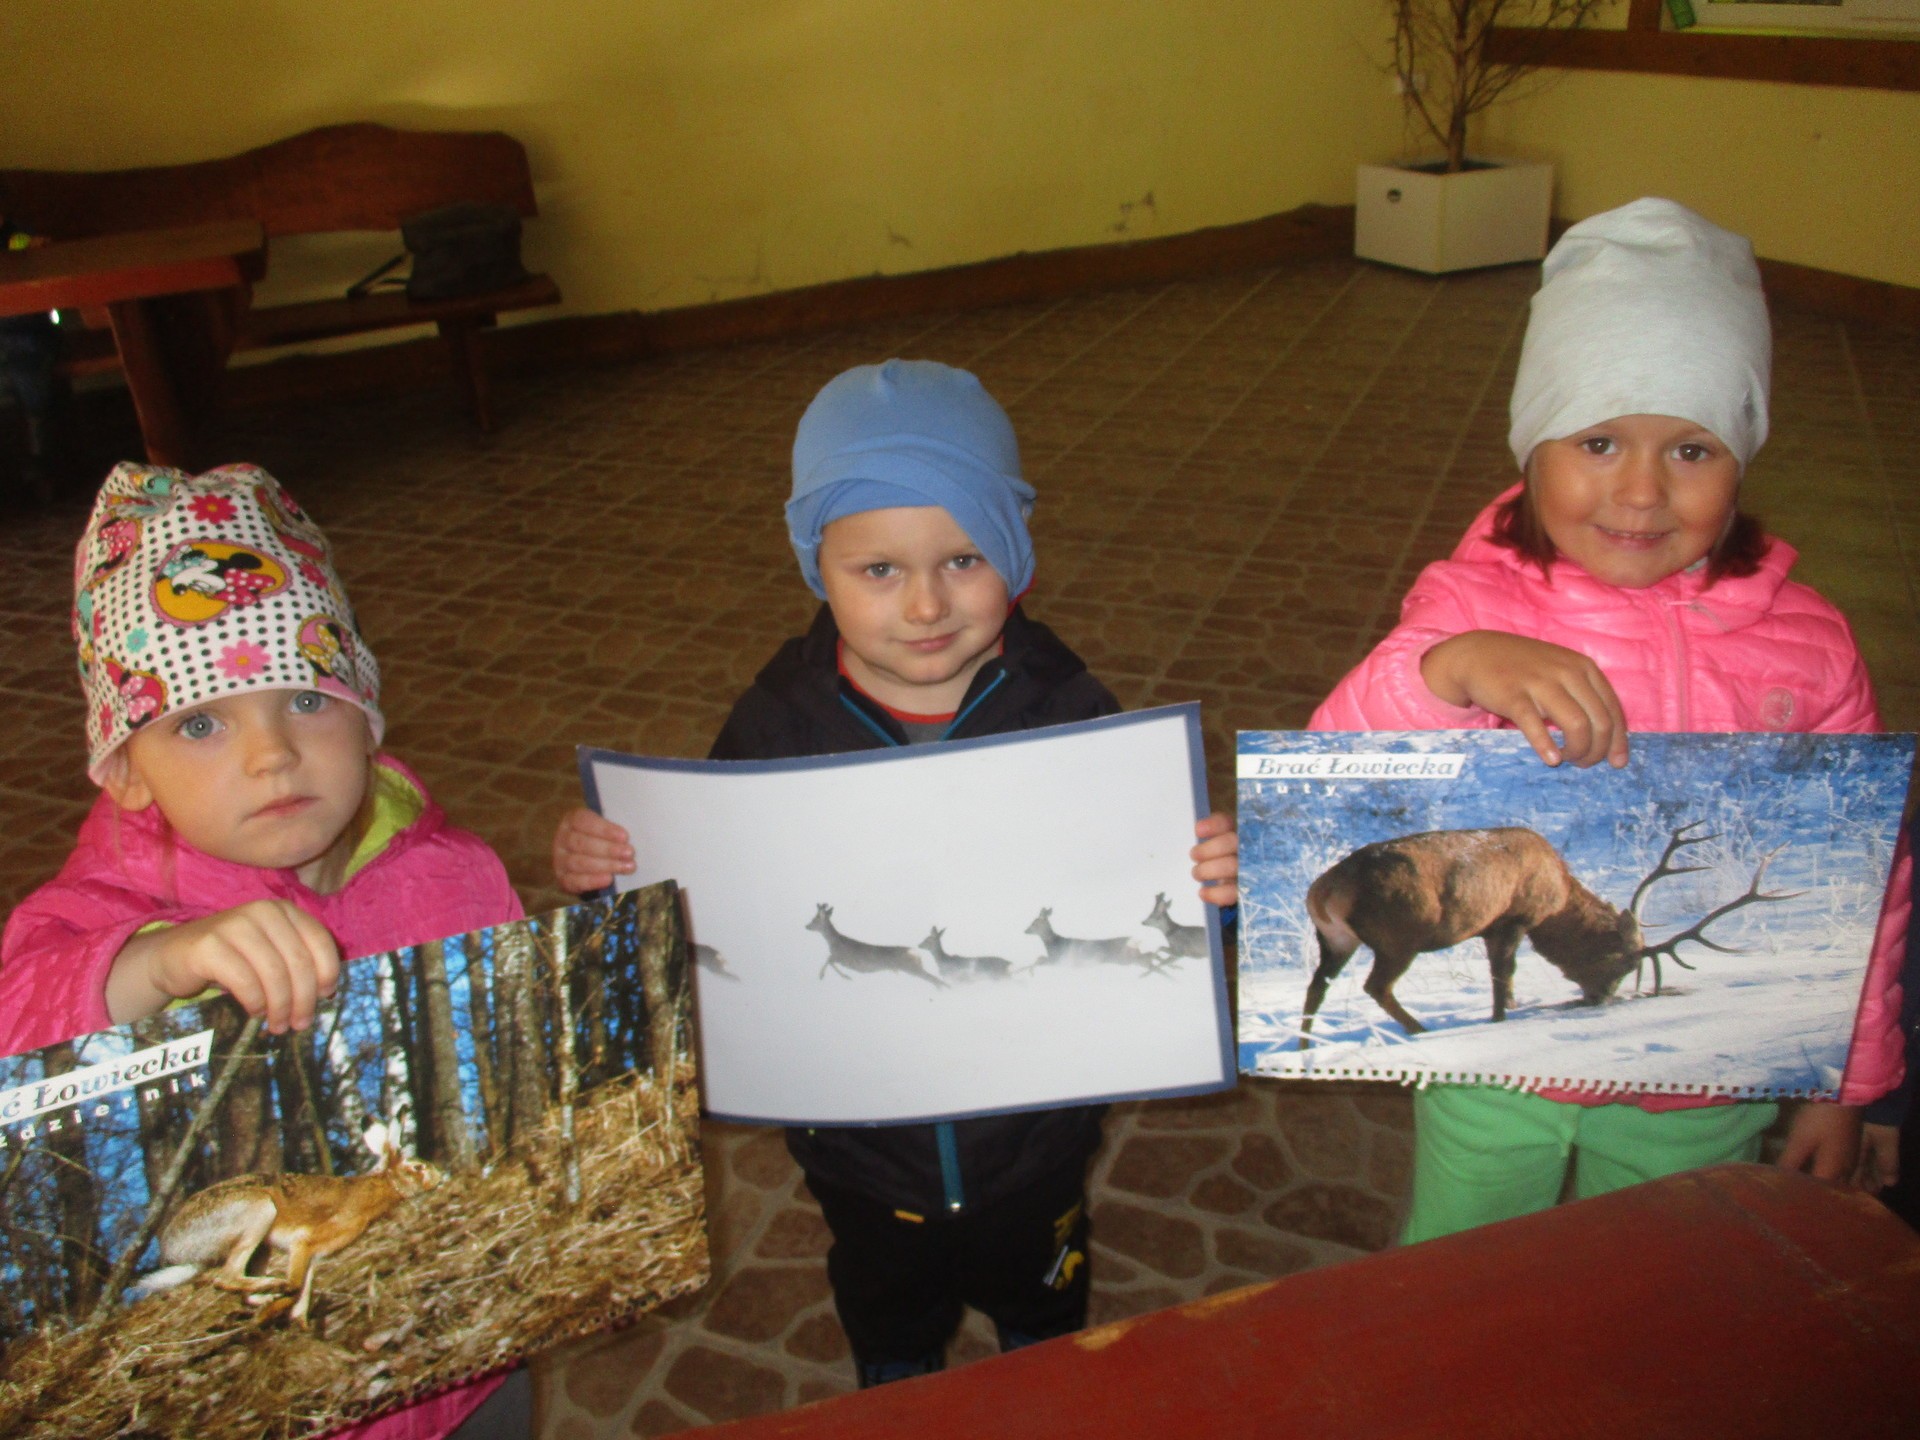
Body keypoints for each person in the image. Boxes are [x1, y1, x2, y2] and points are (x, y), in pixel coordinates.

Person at [553, 359, 1239, 1385]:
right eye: (878, 569)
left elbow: (1138, 906)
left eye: (964, 558)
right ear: (816, 568)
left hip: (1034, 1137)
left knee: (1045, 1318)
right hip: (859, 1148)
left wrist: (1212, 890)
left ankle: (1045, 1377)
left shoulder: (1071, 711)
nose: (925, 604)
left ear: (1016, 553)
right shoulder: (772, 726)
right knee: (889, 1327)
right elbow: (710, 901)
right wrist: (612, 872)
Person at [1310, 198, 1910, 1243]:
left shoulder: (1810, 648)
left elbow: (1866, 881)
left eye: (1693, 450)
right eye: (1598, 441)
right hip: (1493, 1076)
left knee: (1659, 1283)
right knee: (1462, 1277)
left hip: (1703, 1083)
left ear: (1744, 458)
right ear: (1532, 450)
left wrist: (1850, 1079)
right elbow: (1334, 765)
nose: (1640, 491)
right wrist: (1449, 669)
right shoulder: (1467, 608)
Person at [0, 462, 529, 1439]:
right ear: (125, 771)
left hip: (469, 1376)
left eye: (308, 700)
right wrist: (156, 962)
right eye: (201, 723)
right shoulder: (108, 907)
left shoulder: (454, 875)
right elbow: (19, 1023)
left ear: (366, 716)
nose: (271, 753)